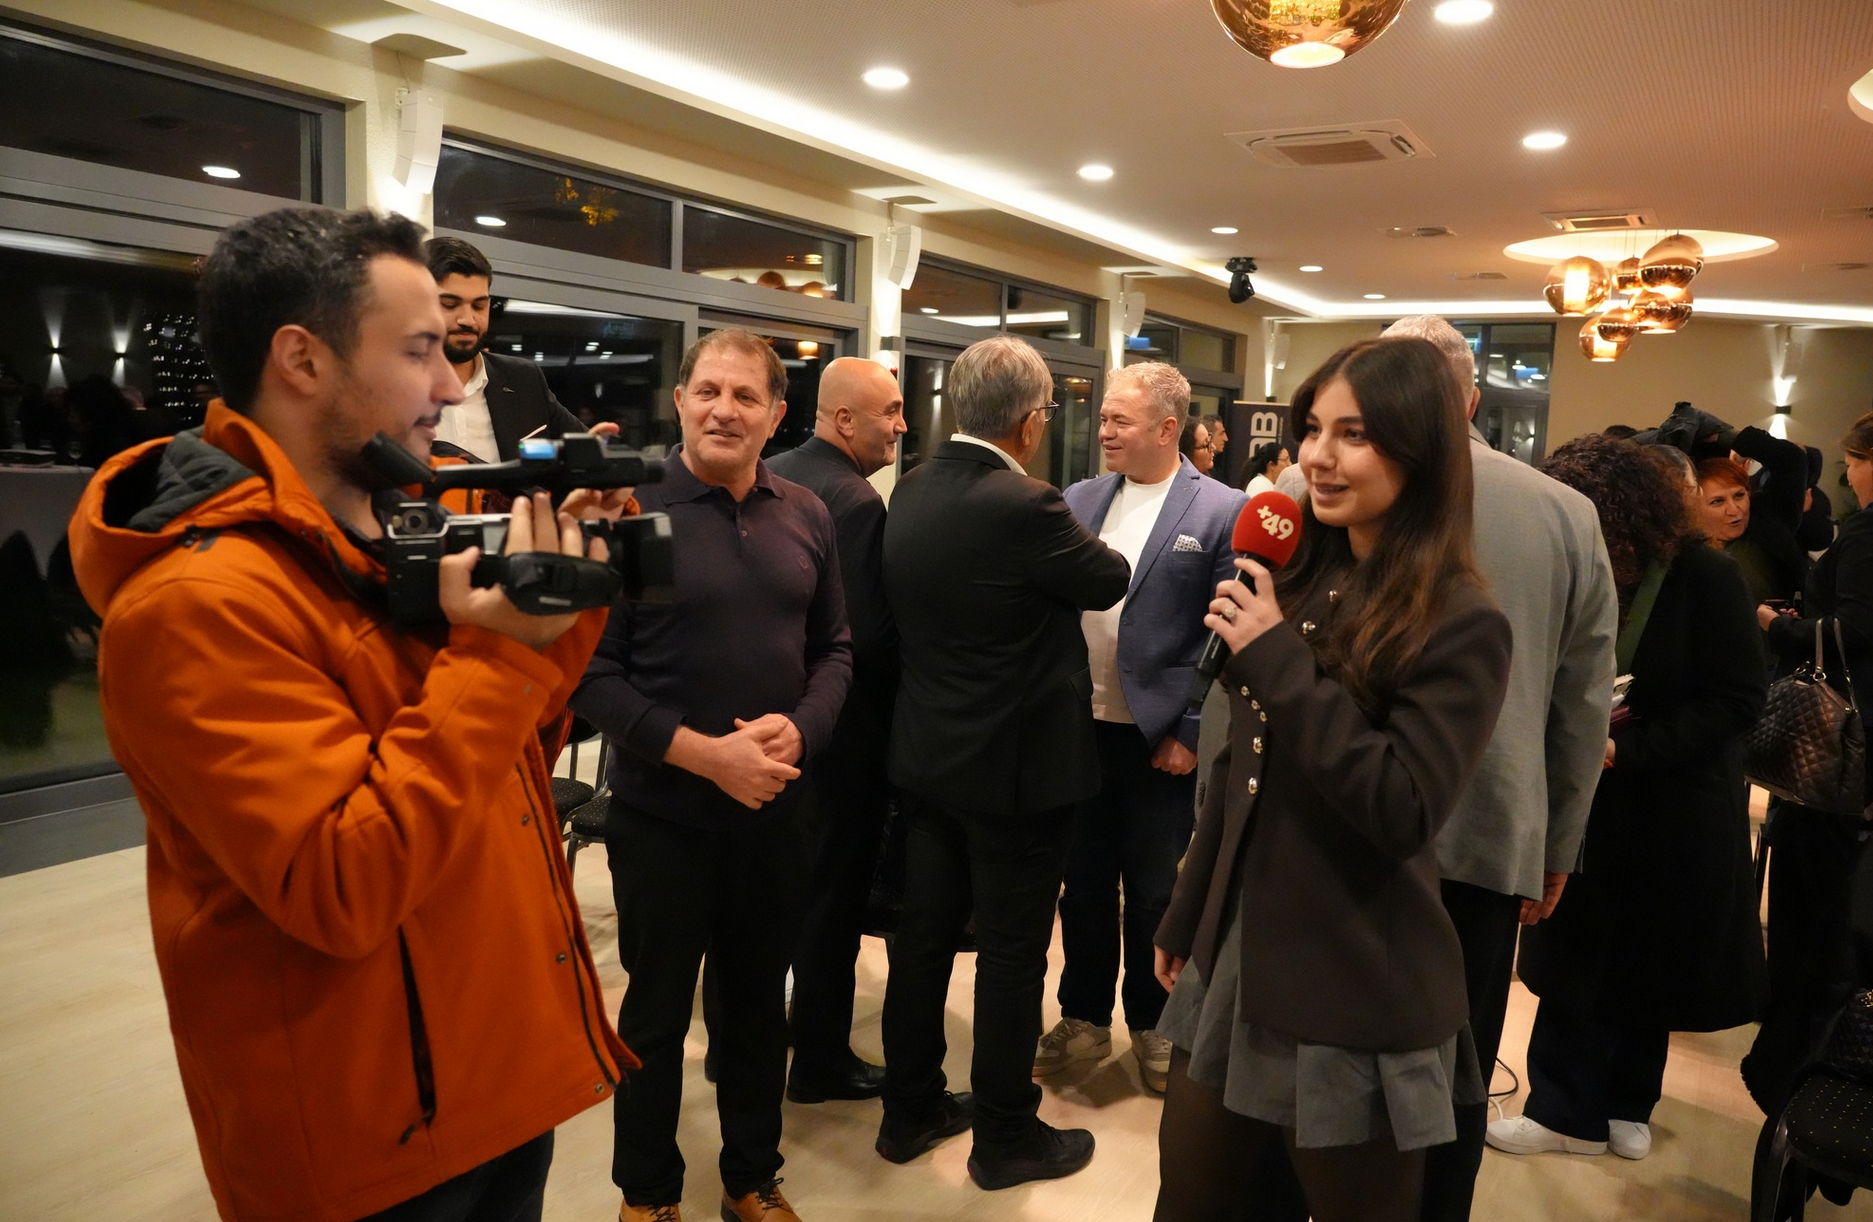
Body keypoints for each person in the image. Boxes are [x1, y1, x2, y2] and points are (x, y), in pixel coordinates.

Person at [67, 207, 634, 1222]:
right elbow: (342, 884)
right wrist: (498, 653)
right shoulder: (197, 605)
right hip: (369, 1138)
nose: (451, 385)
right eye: (419, 350)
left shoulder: (386, 533)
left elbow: (497, 763)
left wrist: (561, 603)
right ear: (302, 359)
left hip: (490, 1073)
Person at [1153, 338, 1512, 1222]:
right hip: (1239, 950)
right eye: (1312, 428)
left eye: (1353, 434)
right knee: (1189, 1201)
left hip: (1352, 977)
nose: (1316, 455)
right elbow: (1240, 768)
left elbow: (1402, 806)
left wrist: (1274, 657)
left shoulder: (1461, 619)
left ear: (1419, 450)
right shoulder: (1304, 575)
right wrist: (1190, 908)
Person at [572, 329, 853, 1222]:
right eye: (708, 391)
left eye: (744, 396)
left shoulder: (806, 514)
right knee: (654, 1017)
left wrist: (801, 730)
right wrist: (706, 756)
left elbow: (835, 649)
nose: (723, 410)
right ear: (681, 401)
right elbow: (590, 675)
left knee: (757, 1010)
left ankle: (750, 1178)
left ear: (776, 415)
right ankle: (647, 1196)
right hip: (662, 818)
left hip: (774, 815)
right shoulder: (633, 512)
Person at [1375, 317, 1618, 1221]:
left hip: (1337, 823)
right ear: (1471, 398)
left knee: (1321, 1046)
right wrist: (1556, 845)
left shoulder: (1313, 486)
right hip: (1486, 828)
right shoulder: (1562, 513)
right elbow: (1581, 701)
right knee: (1457, 1055)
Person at [878, 334, 1130, 1189]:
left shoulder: (910, 487)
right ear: (1029, 422)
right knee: (1013, 957)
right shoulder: (1026, 503)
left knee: (923, 941)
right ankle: (1005, 1137)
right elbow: (1108, 577)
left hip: (928, 759)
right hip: (1017, 775)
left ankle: (909, 1110)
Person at [1491, 433, 1768, 1162]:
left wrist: (1626, 749)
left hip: (1671, 800)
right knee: (1580, 957)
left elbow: (1738, 699)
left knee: (1646, 958)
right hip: (1596, 798)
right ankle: (1565, 1109)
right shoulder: (1593, 570)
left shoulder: (1705, 577)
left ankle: (1623, 1104)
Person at [1040, 362, 1248, 1093]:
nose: (1102, 430)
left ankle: (1156, 1023)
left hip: (1159, 737)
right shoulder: (1079, 498)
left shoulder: (1220, 509)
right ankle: (1083, 1016)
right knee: (1083, 885)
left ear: (1167, 428)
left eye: (1118, 420)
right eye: (1102, 417)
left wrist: (1190, 729)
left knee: (1157, 889)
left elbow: (1224, 634)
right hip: (1080, 728)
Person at [764, 356, 906, 1103]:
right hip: (840, 738)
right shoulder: (855, 500)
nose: (902, 426)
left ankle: (746, 1047)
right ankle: (819, 1060)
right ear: (843, 419)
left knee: (766, 901)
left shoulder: (773, 473)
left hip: (771, 728)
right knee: (830, 905)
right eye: (891, 411)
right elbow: (865, 639)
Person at [1744, 412, 1873, 1118]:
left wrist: (1779, 626)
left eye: (1853, 462)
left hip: (1841, 741)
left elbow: (1852, 633)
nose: (1848, 476)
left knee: (1813, 894)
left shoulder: (1867, 534)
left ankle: (1796, 1054)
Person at [424, 236, 586, 462]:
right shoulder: (386, 388)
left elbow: (585, 450)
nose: (468, 319)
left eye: (479, 306)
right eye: (450, 305)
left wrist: (595, 454)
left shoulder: (523, 380)